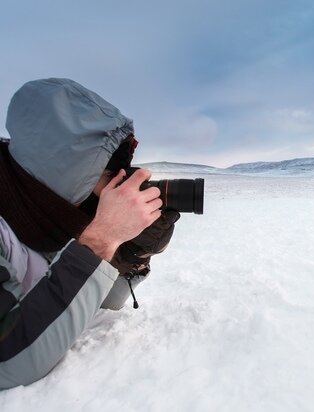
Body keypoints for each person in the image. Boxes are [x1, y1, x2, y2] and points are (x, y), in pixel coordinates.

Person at [0, 78, 180, 389]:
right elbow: (8, 362)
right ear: (63, 173)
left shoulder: (48, 210)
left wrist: (131, 255)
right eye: (108, 175)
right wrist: (100, 241)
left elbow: (90, 311)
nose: (115, 189)